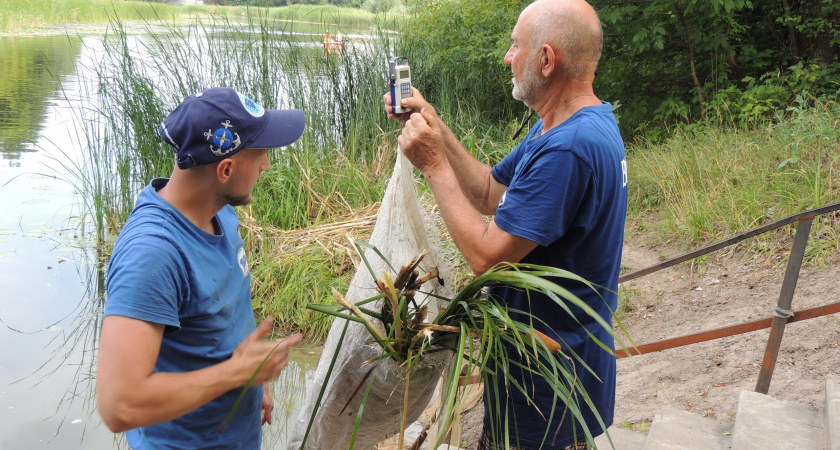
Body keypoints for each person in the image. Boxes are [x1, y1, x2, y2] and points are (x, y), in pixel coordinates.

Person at [384, 0, 627, 449]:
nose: (507, 57)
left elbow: (486, 257)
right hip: (541, 371)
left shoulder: (567, 149)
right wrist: (434, 124)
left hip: (550, 386)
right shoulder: (560, 127)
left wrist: (434, 164)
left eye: (516, 46)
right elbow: (488, 193)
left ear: (546, 59)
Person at [97, 87, 306, 449]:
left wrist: (256, 383)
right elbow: (120, 405)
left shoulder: (219, 213)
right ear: (226, 169)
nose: (267, 165)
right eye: (261, 156)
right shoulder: (153, 254)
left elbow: (226, 311)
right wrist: (236, 372)